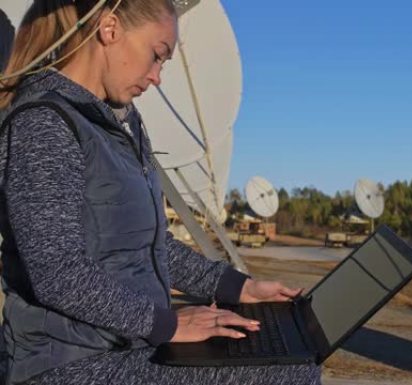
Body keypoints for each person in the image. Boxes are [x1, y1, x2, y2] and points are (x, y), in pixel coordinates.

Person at [0, 1, 321, 384]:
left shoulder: (123, 125)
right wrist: (165, 325)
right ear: (110, 28)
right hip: (68, 364)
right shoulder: (45, 125)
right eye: (157, 56)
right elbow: (59, 275)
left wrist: (240, 287)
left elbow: (154, 243)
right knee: (290, 372)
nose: (157, 77)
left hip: (127, 345)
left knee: (292, 355)